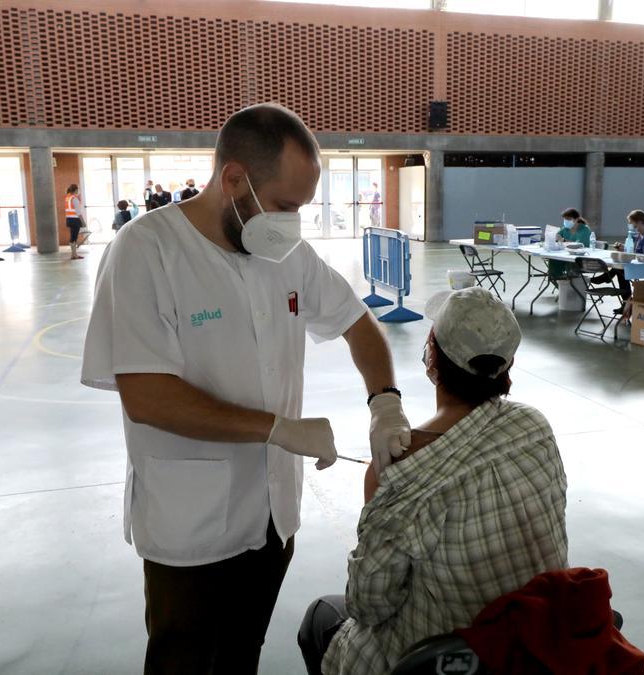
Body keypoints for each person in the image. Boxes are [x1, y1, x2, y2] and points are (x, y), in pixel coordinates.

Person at [80, 103, 413, 675]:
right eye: (284, 206)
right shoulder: (146, 250)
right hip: (191, 524)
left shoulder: (287, 255)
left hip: (272, 516)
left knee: (241, 655)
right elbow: (147, 395)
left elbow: (359, 324)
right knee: (182, 660)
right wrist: (278, 428)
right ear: (233, 179)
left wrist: (385, 403)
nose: (292, 223)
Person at [298, 287, 569, 675]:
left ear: (432, 353)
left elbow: (368, 605)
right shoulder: (534, 426)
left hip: (445, 658)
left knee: (321, 617)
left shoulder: (399, 470)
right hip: (534, 643)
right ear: (506, 365)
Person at [63, 184, 85, 260]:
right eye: (78, 189)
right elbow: (78, 212)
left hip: (69, 219)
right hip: (75, 220)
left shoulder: (68, 198)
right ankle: (73, 255)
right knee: (74, 238)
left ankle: (74, 254)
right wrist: (83, 222)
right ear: (75, 190)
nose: (78, 190)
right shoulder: (74, 198)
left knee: (72, 237)